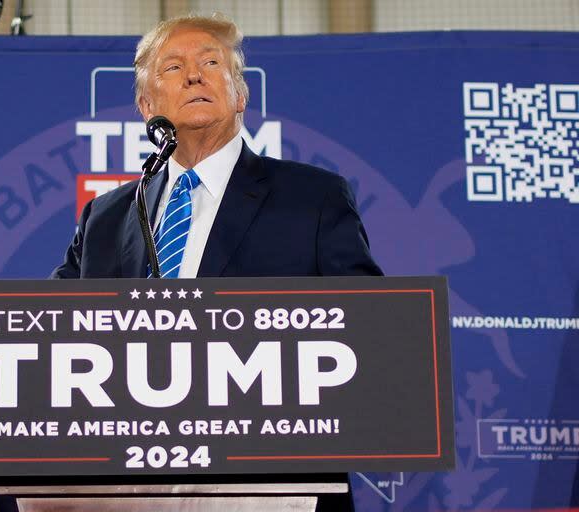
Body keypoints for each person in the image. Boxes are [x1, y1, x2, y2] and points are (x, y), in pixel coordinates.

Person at [51, 13, 382, 511]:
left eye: (212, 62)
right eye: (173, 67)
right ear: (146, 105)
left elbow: (366, 325)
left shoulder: (312, 198)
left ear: (240, 95)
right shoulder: (108, 214)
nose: (195, 75)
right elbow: (52, 333)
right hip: (125, 482)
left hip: (268, 480)